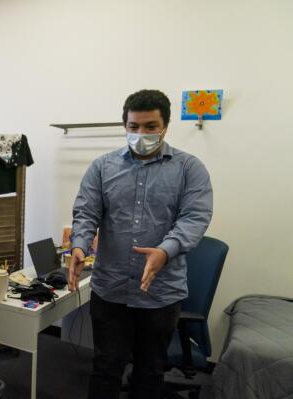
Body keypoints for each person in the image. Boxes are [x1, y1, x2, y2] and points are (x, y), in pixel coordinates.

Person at [68, 89, 213, 398]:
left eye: (150, 127)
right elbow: (86, 211)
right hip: (111, 291)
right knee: (106, 368)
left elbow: (194, 217)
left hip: (160, 293)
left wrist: (165, 250)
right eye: (133, 127)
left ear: (165, 126)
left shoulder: (190, 169)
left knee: (150, 373)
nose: (141, 134)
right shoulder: (102, 167)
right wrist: (79, 245)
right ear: (125, 126)